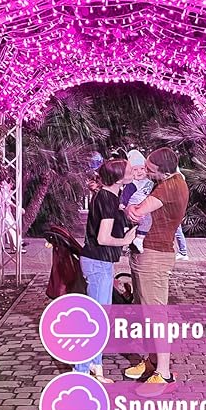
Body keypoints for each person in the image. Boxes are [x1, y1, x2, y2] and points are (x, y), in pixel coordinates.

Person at [125, 147, 189, 387]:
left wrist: (129, 209)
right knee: (145, 312)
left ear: (164, 171)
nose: (146, 172)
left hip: (154, 255)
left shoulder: (169, 186)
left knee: (155, 315)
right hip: (148, 254)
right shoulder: (168, 182)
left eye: (150, 169)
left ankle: (163, 372)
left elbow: (138, 212)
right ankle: (152, 361)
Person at [74, 158, 137, 383]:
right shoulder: (107, 199)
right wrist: (125, 240)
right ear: (119, 177)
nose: (134, 171)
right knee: (97, 319)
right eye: (129, 169)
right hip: (98, 262)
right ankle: (81, 370)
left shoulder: (108, 196)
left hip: (100, 262)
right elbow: (103, 238)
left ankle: (94, 365)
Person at [119, 150, 154, 254]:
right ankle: (139, 239)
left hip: (144, 206)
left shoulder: (149, 181)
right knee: (147, 220)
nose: (139, 172)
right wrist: (123, 205)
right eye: (135, 169)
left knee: (144, 222)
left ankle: (132, 240)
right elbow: (125, 195)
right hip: (134, 207)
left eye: (142, 168)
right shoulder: (132, 184)